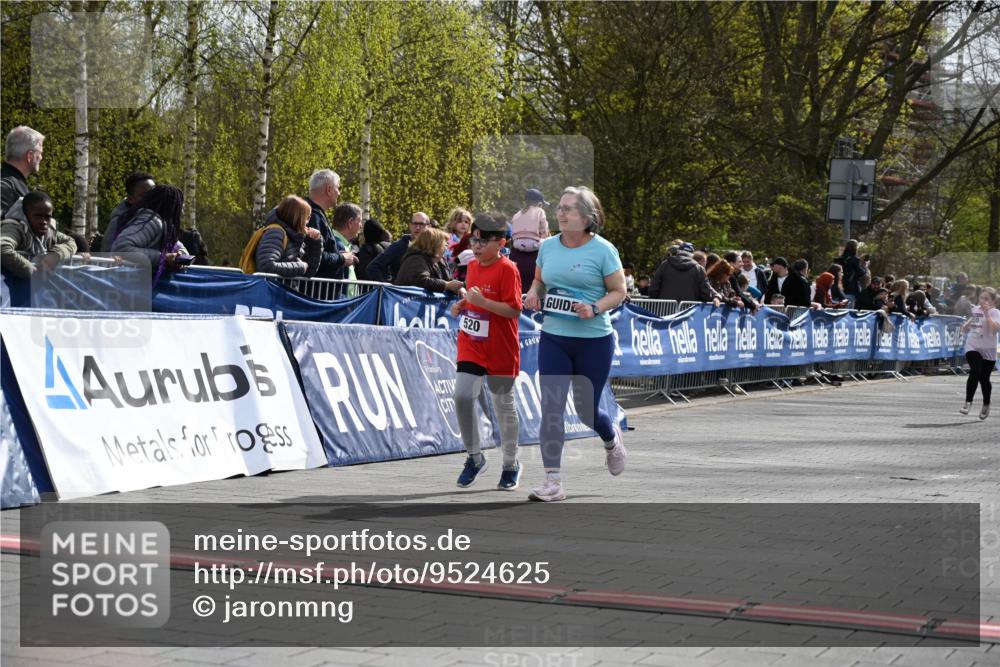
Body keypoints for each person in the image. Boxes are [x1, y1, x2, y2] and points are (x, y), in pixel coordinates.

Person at [523, 186, 627, 502]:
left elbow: (618, 291)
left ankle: (611, 439)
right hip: (554, 336)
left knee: (585, 410)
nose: (561, 213)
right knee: (551, 408)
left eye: (569, 208)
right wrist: (532, 293)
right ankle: (552, 482)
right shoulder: (548, 246)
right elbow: (540, 280)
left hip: (594, 340)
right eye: (560, 207)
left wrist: (593, 308)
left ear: (587, 216)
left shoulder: (603, 250)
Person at [448, 213, 523, 490]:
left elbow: (514, 310)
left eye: (483, 241)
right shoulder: (474, 266)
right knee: (462, 396)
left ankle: (511, 463)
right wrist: (463, 305)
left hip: (501, 347)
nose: (476, 246)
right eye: (474, 240)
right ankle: (474, 457)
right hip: (472, 343)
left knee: (503, 406)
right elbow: (473, 299)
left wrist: (483, 301)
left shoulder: (508, 269)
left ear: (501, 242)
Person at [109, 184, 189, 282]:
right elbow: (121, 248)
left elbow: (178, 247)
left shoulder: (163, 226)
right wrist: (162, 258)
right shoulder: (151, 221)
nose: (182, 211)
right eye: (180, 206)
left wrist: (179, 255)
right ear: (171, 206)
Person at [0, 191, 76, 279]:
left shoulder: (49, 232)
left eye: (47, 217)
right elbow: (2, 248)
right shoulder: (14, 228)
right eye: (37, 216)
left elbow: (71, 242)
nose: (43, 222)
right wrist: (31, 271)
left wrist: (55, 255)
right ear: (25, 215)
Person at [303, 169, 356, 279]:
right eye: (338, 187)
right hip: (315, 293)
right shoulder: (312, 216)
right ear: (329, 189)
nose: (339, 193)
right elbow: (313, 255)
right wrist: (341, 259)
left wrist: (337, 254)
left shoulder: (311, 213)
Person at [255, 195, 323, 277]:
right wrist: (301, 267)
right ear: (297, 218)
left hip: (279, 289)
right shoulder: (276, 233)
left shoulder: (293, 236)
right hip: (271, 289)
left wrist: (316, 241)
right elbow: (266, 266)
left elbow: (309, 272)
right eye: (307, 217)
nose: (308, 222)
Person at [959, 288, 1000, 420]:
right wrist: (966, 325)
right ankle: (968, 402)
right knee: (975, 371)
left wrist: (987, 314)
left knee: (984, 379)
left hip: (988, 348)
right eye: (981, 298)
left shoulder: (995, 312)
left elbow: (993, 331)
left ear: (993, 301)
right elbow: (973, 320)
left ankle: (986, 403)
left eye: (986, 299)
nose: (983, 301)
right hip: (973, 345)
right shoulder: (976, 309)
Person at [393, 226, 464, 295]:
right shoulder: (415, 259)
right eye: (445, 245)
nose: (447, 248)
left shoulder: (440, 260)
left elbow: (449, 279)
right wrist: (446, 285)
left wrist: (458, 288)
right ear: (435, 245)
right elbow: (421, 281)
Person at [366, 211, 430, 282]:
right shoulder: (399, 246)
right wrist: (387, 287)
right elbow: (373, 267)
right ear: (410, 225)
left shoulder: (434, 247)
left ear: (429, 226)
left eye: (421, 224)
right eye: (415, 224)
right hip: (401, 292)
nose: (417, 227)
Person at [649, 242, 720, 304]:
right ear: (692, 255)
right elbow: (706, 293)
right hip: (688, 314)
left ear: (678, 252)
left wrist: (656, 303)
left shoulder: (665, 265)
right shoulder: (699, 269)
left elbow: (653, 289)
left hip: (665, 312)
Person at [102, 171, 155, 251]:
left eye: (153, 193)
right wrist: (160, 256)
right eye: (144, 195)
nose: (151, 198)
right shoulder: (119, 221)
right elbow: (107, 253)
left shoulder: (158, 215)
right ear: (131, 199)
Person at [509, 188, 550, 292]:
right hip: (533, 244)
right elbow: (543, 229)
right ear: (540, 203)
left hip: (517, 244)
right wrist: (545, 238)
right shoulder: (540, 211)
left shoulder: (517, 214)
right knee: (549, 242)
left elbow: (513, 231)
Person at [1, 126, 44, 217]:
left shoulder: (9, 183)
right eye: (40, 153)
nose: (41, 157)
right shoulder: (5, 187)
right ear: (30, 156)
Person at [834, 239, 866, 308]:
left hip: (839, 288)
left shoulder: (839, 259)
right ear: (855, 248)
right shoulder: (855, 260)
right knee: (848, 312)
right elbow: (861, 273)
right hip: (851, 289)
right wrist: (864, 267)